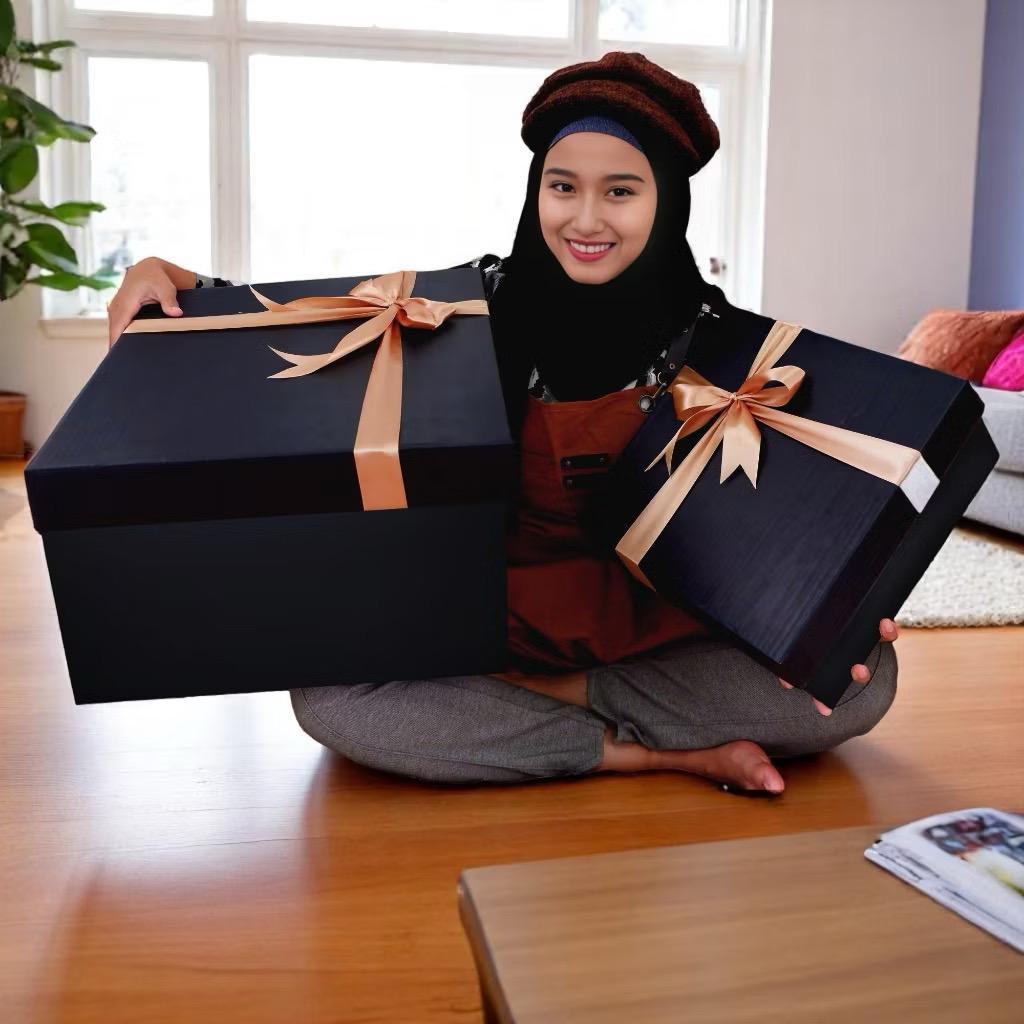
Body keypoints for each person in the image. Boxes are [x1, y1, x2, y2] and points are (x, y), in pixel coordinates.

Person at [105, 52, 899, 796]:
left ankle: (548, 707)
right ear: (535, 190)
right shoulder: (460, 310)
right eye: (563, 186)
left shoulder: (737, 356)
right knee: (331, 698)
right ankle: (653, 752)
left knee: (863, 680)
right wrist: (177, 282)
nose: (585, 218)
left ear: (667, 200)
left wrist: (828, 610)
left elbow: (789, 532)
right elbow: (315, 332)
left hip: (655, 629)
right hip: (490, 624)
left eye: (621, 192)